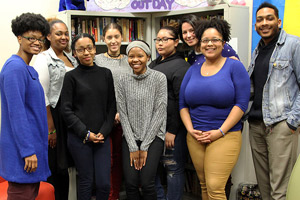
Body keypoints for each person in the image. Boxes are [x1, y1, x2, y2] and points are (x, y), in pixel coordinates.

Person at [179, 18, 250, 200]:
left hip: (225, 134)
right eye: (205, 40)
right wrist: (190, 130)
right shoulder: (193, 70)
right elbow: (183, 105)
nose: (210, 44)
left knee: (215, 187)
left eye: (215, 39)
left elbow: (241, 104)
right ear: (200, 43)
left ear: (223, 42)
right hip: (195, 136)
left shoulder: (235, 66)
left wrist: (219, 131)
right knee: (203, 185)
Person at [247, 2, 300, 200]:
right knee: (264, 187)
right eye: (259, 19)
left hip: (280, 125)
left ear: (278, 21)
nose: (264, 23)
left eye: (269, 18)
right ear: (255, 25)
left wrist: (292, 122)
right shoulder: (258, 50)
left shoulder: (293, 45)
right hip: (256, 124)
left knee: (280, 190)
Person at [0, 13, 51, 200]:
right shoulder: (15, 68)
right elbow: (17, 114)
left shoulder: (27, 67)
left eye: (40, 38)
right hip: (23, 153)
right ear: (19, 38)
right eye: (31, 38)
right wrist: (28, 151)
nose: (37, 42)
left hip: (31, 149)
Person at [61, 33, 116, 200]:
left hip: (101, 137)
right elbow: (66, 110)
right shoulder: (71, 76)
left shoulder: (106, 73)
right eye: (81, 50)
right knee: (86, 181)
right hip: (80, 138)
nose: (86, 52)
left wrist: (103, 133)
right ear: (74, 53)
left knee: (104, 183)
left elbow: (111, 107)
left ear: (94, 50)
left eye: (89, 48)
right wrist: (85, 133)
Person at [117, 40, 167, 200]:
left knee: (147, 183)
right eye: (131, 56)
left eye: (140, 56)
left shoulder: (159, 78)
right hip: (130, 138)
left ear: (148, 57)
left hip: (153, 138)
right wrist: (133, 146)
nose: (135, 60)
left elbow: (160, 112)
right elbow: (122, 114)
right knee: (130, 183)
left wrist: (144, 146)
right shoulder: (122, 79)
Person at [33, 19, 77, 200]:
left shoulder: (72, 58)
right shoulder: (43, 59)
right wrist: (50, 128)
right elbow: (41, 95)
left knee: (66, 167)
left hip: (70, 117)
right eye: (59, 33)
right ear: (48, 37)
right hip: (54, 118)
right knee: (56, 167)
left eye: (66, 33)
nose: (64, 37)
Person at [149, 25, 190, 200]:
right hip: (152, 128)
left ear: (176, 42)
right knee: (152, 168)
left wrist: (172, 131)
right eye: (158, 39)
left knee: (172, 168)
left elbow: (180, 101)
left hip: (171, 130)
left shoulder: (181, 66)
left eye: (165, 39)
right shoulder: (153, 64)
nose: (160, 43)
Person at [94, 23, 131, 200]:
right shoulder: (97, 59)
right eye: (109, 37)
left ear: (122, 38)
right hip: (103, 118)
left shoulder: (130, 59)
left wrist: (121, 113)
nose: (113, 41)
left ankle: (114, 195)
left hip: (125, 118)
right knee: (105, 159)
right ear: (103, 39)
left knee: (119, 159)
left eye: (117, 36)